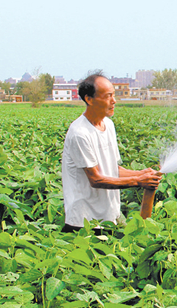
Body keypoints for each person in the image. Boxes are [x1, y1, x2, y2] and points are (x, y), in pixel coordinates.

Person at [61, 73, 162, 231]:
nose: (114, 101)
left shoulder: (108, 125)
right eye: (108, 96)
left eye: (113, 95)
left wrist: (141, 174)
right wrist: (138, 181)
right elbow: (96, 179)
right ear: (89, 99)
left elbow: (114, 170)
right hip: (84, 222)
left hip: (108, 218)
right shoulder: (80, 133)